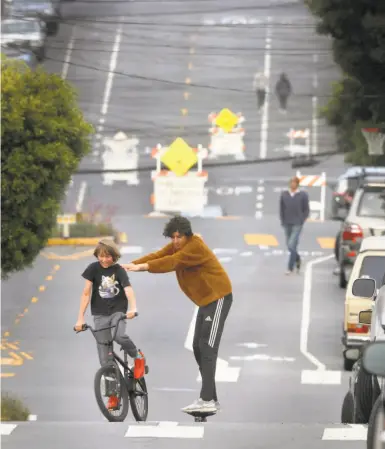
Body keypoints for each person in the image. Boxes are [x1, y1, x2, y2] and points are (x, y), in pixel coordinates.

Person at [121, 216, 233, 414]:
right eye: (172, 237)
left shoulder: (194, 247)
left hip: (218, 297)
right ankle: (211, 397)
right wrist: (131, 265)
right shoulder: (176, 246)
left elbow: (172, 262)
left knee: (207, 346)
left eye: (179, 237)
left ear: (187, 235)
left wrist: (142, 267)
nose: (175, 241)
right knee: (198, 346)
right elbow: (158, 255)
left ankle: (206, 399)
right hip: (206, 301)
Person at [74, 238, 145, 410]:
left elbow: (128, 290)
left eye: (108, 256)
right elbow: (86, 293)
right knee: (105, 361)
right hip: (99, 315)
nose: (105, 260)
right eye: (101, 256)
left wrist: (133, 308)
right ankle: (113, 397)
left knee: (119, 336)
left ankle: (138, 357)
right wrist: (80, 318)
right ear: (97, 255)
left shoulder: (118, 271)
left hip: (118, 312)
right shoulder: (92, 269)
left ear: (114, 256)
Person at [279, 177, 310, 275]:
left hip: (297, 223)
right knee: (290, 245)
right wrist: (282, 220)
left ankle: (290, 268)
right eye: (291, 182)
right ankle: (298, 259)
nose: (292, 184)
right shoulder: (284, 194)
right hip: (287, 222)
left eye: (294, 183)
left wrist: (302, 219)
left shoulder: (302, 195)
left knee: (291, 244)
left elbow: (306, 209)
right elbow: (281, 208)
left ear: (297, 184)